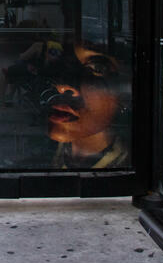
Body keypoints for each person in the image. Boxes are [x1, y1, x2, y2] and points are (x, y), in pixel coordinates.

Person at [40, 40, 130, 169]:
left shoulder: (125, 169)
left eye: (97, 68)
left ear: (124, 94)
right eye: (61, 58)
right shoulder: (45, 152)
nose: (63, 86)